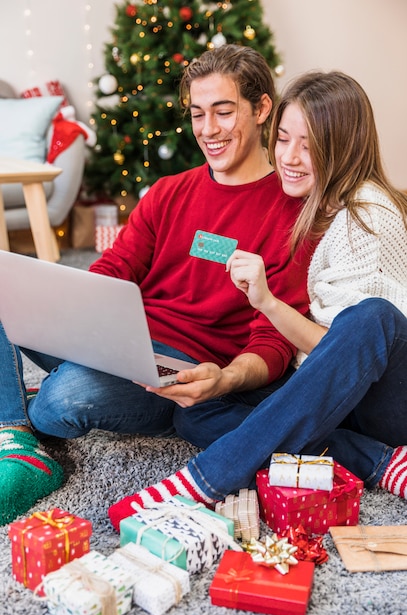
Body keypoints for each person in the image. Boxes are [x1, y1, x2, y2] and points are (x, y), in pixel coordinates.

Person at [0, 44, 314, 526]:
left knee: (58, 403)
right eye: (197, 114)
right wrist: (68, 306)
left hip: (181, 369)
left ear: (262, 108)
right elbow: (115, 266)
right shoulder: (169, 191)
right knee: (11, 295)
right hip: (118, 335)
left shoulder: (292, 214)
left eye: (223, 112)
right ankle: (14, 436)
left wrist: (226, 379)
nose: (208, 129)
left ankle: (28, 418)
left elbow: (273, 341)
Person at [108, 70, 407, 531]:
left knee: (373, 316)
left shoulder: (368, 213)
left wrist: (266, 302)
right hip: (333, 390)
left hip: (382, 399)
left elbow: (350, 349)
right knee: (196, 417)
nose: (288, 157)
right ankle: (375, 460)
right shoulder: (315, 204)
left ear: (342, 146)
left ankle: (208, 478)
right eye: (283, 139)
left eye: (308, 146)